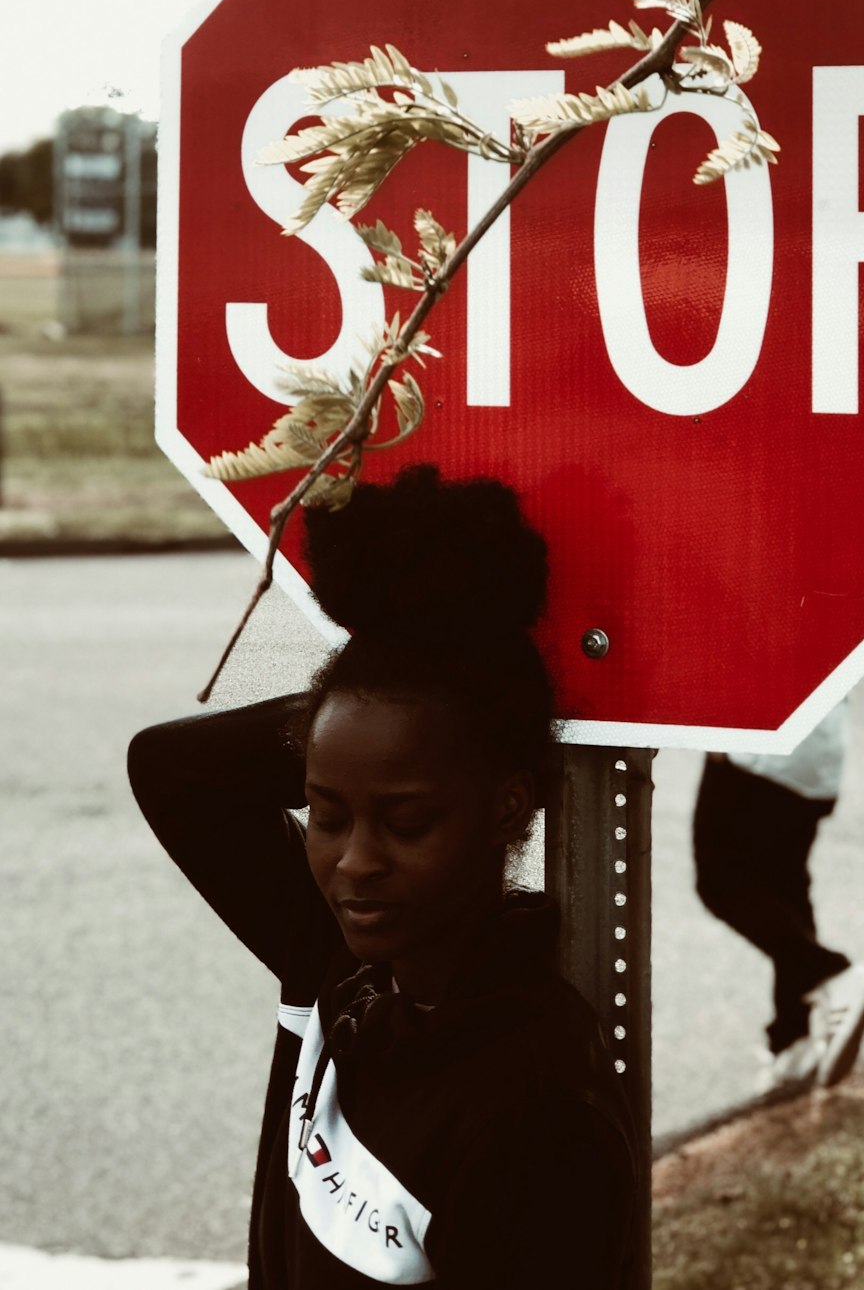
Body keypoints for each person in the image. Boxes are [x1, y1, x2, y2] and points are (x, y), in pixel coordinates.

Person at [128, 465, 636, 1289]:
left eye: (406, 823)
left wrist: (426, 712)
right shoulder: (336, 962)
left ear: (509, 806)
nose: (354, 865)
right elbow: (172, 770)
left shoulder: (537, 1115)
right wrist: (385, 684)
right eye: (326, 816)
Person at [692, 703, 864, 1101]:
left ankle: (831, 973)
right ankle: (792, 1042)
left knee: (721, 885)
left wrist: (709, 730)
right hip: (816, 750)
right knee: (783, 890)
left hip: (755, 745)